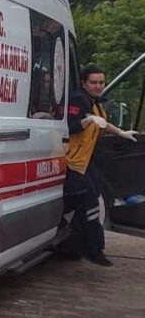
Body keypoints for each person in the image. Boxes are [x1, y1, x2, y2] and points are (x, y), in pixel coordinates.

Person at [64, 65, 136, 267]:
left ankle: (73, 246)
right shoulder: (78, 99)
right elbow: (71, 126)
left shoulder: (95, 103)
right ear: (84, 83)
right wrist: (88, 120)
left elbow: (102, 123)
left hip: (85, 163)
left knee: (89, 202)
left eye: (101, 82)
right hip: (73, 163)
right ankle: (93, 250)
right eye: (93, 82)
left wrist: (120, 132)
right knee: (90, 206)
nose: (98, 86)